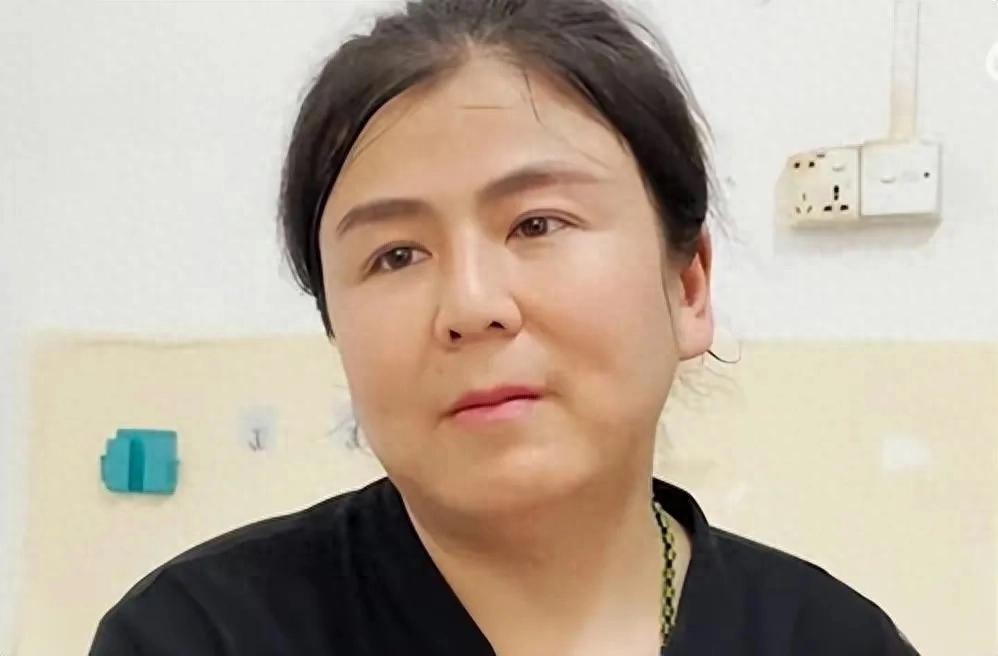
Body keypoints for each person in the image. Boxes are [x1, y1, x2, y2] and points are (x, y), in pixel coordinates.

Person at [90, 1, 920, 654]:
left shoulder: (835, 641)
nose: (470, 305)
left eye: (537, 224)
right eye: (396, 255)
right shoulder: (197, 635)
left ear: (688, 286)